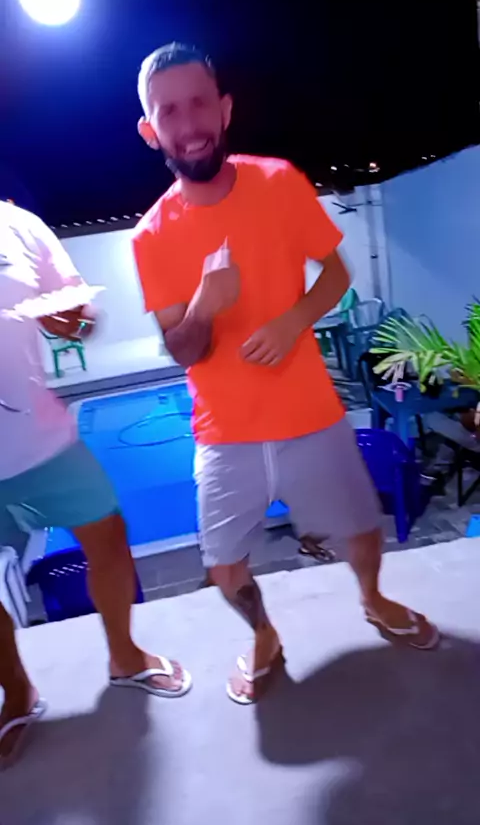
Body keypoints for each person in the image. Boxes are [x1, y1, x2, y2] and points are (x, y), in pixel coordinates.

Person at [132, 42, 439, 706]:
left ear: (225, 108)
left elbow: (336, 273)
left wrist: (294, 320)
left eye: (198, 103)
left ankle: (373, 598)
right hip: (224, 432)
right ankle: (265, 635)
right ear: (150, 130)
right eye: (168, 111)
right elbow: (182, 349)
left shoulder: (277, 182)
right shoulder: (151, 236)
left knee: (361, 530)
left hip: (309, 412)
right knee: (223, 566)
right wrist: (205, 307)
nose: (188, 123)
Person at [0, 201, 191, 768]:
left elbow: (82, 317)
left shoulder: (20, 226)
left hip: (41, 442)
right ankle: (17, 692)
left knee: (108, 540)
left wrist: (75, 322)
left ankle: (125, 656)